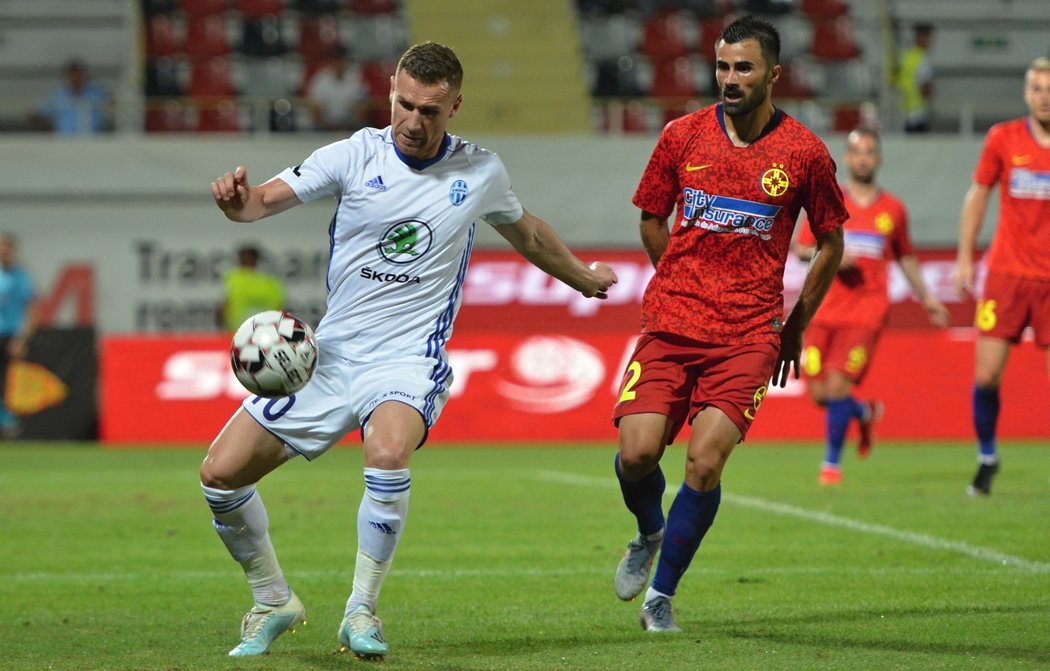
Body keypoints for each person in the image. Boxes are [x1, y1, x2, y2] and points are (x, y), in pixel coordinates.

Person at [202, 41, 617, 660]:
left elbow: (526, 230)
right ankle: (272, 600)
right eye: (405, 104)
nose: (414, 122)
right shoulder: (352, 154)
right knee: (219, 476)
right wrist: (238, 205)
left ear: (455, 106)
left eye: (430, 110)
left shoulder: (481, 171)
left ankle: (361, 611)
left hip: (408, 357)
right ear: (390, 88)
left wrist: (583, 278)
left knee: (389, 449)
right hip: (329, 355)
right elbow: (261, 201)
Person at [610, 14, 846, 633]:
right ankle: (649, 531)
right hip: (671, 324)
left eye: (743, 68)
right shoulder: (682, 135)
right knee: (637, 456)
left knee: (704, 465)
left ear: (773, 73)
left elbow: (830, 243)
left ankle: (661, 598)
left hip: (748, 336)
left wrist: (794, 326)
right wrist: (680, 279)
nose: (730, 79)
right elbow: (650, 217)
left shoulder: (804, 153)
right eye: (721, 67)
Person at [793, 128, 950, 486]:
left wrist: (927, 298)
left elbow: (906, 257)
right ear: (847, 159)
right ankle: (863, 414)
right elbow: (801, 249)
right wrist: (830, 255)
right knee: (819, 393)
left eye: (869, 152)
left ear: (877, 158)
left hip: (867, 310)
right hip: (824, 307)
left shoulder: (893, 210)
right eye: (856, 152)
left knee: (836, 388)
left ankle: (831, 465)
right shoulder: (830, 202)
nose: (863, 158)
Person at [953, 57, 1050, 497]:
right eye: (1037, 88)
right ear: (1027, 94)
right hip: (1007, 275)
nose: (1044, 96)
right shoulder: (1004, 139)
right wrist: (965, 257)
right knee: (987, 376)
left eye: (1049, 88)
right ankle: (987, 457)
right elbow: (977, 195)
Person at [0, 234, 39, 438]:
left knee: (10, 381)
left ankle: (10, 425)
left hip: (11, 335)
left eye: (6, 248)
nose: (3, 252)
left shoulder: (21, 276)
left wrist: (22, 339)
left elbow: (32, 309)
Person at [29, 60, 110, 136]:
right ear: (67, 77)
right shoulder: (58, 97)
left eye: (78, 76)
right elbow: (36, 115)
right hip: (65, 143)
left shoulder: (97, 93)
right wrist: (48, 130)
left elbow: (114, 105)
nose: (76, 79)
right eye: (73, 76)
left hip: (94, 142)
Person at [217, 244, 285, 332]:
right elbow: (224, 306)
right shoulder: (271, 281)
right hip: (243, 331)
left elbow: (280, 310)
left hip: (259, 332)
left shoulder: (233, 278)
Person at [304, 49, 369, 132]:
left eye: (341, 61)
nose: (339, 65)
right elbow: (315, 107)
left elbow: (362, 105)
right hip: (324, 126)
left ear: (345, 62)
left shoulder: (356, 78)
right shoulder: (320, 79)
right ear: (331, 62)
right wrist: (327, 126)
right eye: (336, 61)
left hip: (350, 125)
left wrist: (350, 126)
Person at [895, 23, 934, 134]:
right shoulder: (922, 59)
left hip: (902, 111)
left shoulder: (906, 57)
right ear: (921, 38)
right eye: (927, 38)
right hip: (917, 113)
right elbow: (926, 88)